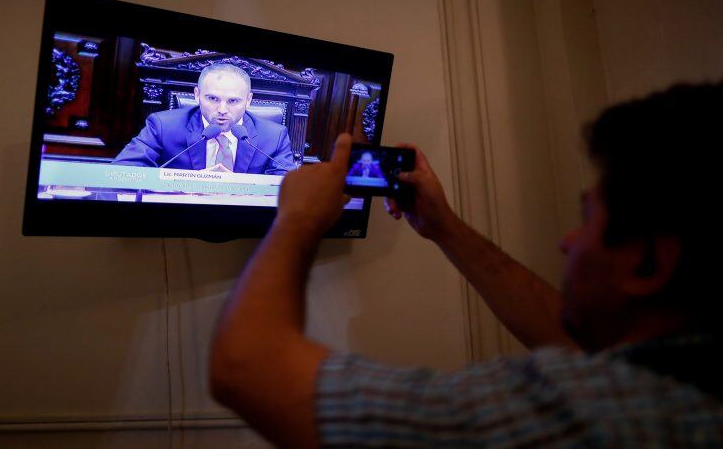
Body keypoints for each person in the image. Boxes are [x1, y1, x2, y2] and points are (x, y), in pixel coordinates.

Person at [209, 82, 723, 447]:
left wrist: (296, 219)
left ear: (651, 261)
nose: (568, 242)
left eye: (587, 219)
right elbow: (579, 344)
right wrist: (444, 226)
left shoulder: (600, 412)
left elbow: (246, 368)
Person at [112, 64, 295, 175]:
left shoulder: (274, 136)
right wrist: (189, 185)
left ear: (248, 100)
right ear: (197, 95)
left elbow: (286, 186)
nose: (222, 110)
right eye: (213, 99)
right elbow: (123, 171)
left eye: (233, 101)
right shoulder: (163, 126)